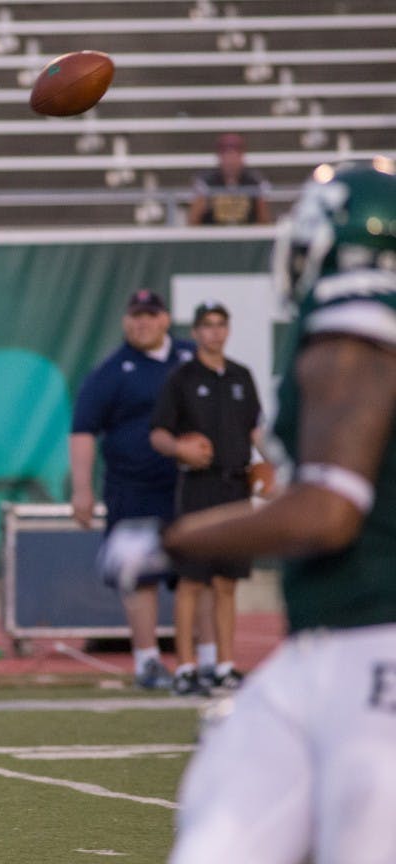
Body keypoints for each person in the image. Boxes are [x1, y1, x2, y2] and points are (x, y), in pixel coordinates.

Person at [99, 159, 396, 864]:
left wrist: (171, 541)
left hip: (374, 651)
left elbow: (329, 512)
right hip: (322, 646)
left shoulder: (355, 331)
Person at [69, 289, 204, 690]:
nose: (141, 323)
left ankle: (199, 662)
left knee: (197, 575)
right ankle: (147, 661)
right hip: (133, 488)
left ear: (165, 319)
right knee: (139, 576)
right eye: (135, 316)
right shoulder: (113, 369)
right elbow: (83, 430)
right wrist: (82, 490)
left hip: (189, 485)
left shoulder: (189, 358)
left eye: (150, 315)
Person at [149, 301, 265, 696]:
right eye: (207, 325)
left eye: (221, 325)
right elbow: (159, 433)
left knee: (227, 581)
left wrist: (275, 466)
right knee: (192, 581)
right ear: (196, 331)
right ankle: (185, 667)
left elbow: (254, 430)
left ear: (228, 330)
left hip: (236, 486)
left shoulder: (241, 376)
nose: (215, 332)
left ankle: (225, 665)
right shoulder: (182, 377)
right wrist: (180, 448)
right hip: (199, 485)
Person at [187, 132, 271, 226]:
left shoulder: (255, 181)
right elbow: (193, 221)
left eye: (234, 155)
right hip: (213, 236)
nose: (230, 160)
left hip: (246, 236)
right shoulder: (206, 182)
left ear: (241, 157)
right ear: (220, 157)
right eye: (226, 155)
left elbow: (264, 221)